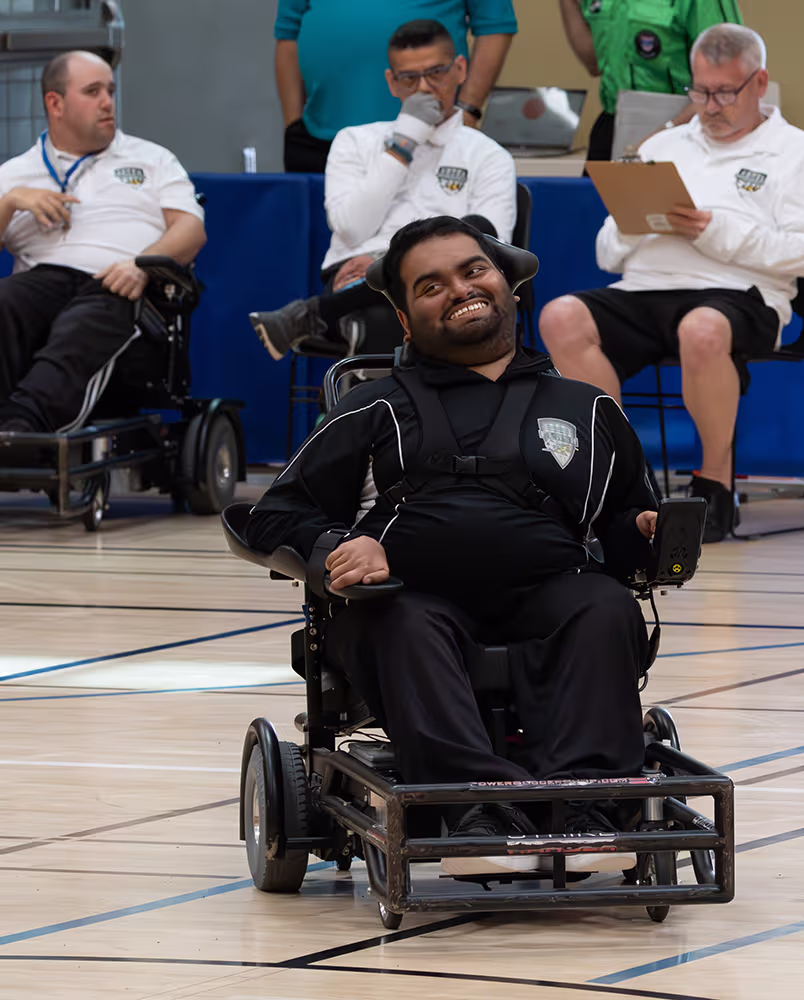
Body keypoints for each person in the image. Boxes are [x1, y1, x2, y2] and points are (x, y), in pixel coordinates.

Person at [246, 215, 659, 875]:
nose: (459, 288)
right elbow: (268, 516)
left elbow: (623, 526)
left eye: (473, 271)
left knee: (603, 604)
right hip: (408, 602)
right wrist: (335, 546)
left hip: (549, 597)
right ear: (406, 322)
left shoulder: (587, 410)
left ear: (508, 288)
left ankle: (588, 809)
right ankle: (475, 810)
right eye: (430, 285)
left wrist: (645, 533)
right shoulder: (372, 407)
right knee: (402, 617)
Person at [539, 23, 804, 542]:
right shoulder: (664, 144)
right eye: (699, 91)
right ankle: (624, 478)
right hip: (646, 288)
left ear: (760, 83)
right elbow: (606, 251)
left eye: (725, 92)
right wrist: (640, 222)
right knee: (559, 315)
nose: (710, 104)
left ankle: (715, 486)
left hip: (742, 296)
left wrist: (716, 231)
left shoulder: (796, 152)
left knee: (701, 329)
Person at [251, 19, 517, 362]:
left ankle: (315, 314)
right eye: (409, 78)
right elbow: (352, 226)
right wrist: (403, 145)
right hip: (357, 272)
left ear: (460, 69)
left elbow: (490, 242)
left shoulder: (488, 154)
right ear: (392, 82)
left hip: (447, 274)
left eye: (436, 72)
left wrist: (388, 259)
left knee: (433, 278)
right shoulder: (354, 140)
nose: (424, 88)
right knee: (385, 314)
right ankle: (368, 413)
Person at [0, 51, 205, 435]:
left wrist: (143, 263)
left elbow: (191, 229)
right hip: (42, 282)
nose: (107, 102)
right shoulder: (14, 173)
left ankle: (21, 428)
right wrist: (10, 202)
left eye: (110, 90)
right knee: (5, 301)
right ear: (54, 103)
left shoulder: (152, 159)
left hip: (121, 284)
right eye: (92, 91)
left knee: (87, 319)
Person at [275, 0, 518, 173]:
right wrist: (293, 125)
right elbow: (288, 33)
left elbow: (495, 27)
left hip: (425, 137)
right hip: (319, 136)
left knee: (424, 240)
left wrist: (467, 110)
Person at [558, 0, 743, 161]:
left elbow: (730, 78)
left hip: (683, 129)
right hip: (613, 125)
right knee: (590, 200)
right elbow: (594, 64)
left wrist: (662, 133)